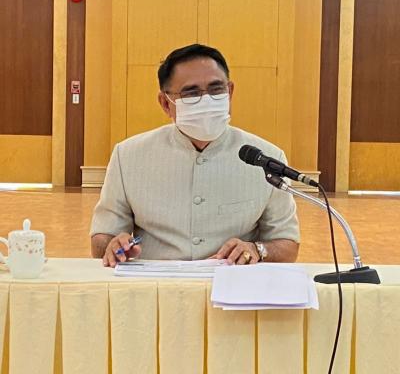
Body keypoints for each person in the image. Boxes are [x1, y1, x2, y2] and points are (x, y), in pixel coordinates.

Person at [91, 44, 299, 267]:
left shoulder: (267, 159)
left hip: (234, 282)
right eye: (191, 93)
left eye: (216, 89)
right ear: (165, 103)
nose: (206, 100)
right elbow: (101, 239)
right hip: (156, 282)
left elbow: (287, 244)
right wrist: (113, 245)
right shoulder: (128, 156)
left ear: (230, 92)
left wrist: (258, 249)